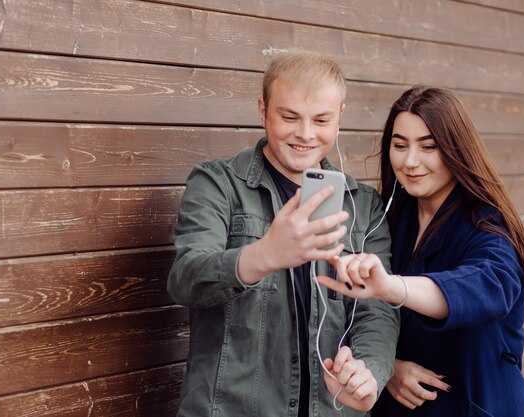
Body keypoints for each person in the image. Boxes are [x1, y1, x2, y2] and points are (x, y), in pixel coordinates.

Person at [167, 50, 399, 417]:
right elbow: (185, 280)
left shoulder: (364, 204)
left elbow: (377, 310)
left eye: (321, 120)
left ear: (340, 116)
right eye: (289, 116)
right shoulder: (217, 184)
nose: (305, 134)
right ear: (262, 110)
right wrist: (263, 255)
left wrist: (370, 370)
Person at [317, 86, 524, 417]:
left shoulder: (489, 226)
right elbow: (357, 316)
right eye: (399, 145)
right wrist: (387, 367)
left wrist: (393, 287)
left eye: (429, 146)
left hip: (479, 405)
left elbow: (490, 286)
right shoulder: (389, 218)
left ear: (457, 150)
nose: (411, 161)